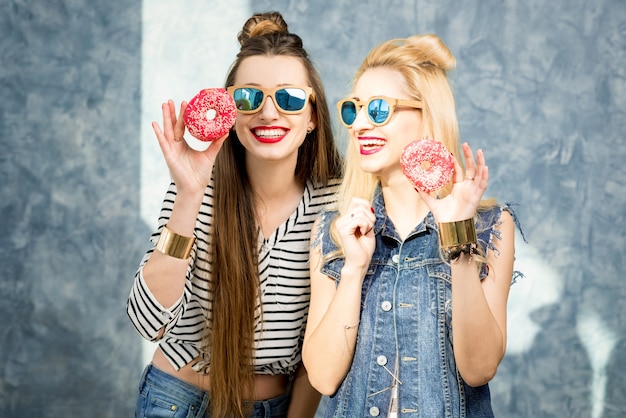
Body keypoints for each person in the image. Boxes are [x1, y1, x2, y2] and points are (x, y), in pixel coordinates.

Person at [127, 11, 343, 418]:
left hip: (276, 407)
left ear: (313, 116)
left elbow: (324, 343)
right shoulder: (197, 184)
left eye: (290, 97)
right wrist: (189, 196)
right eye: (248, 97)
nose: (267, 112)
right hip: (177, 402)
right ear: (229, 111)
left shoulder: (337, 200)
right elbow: (147, 322)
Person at [302, 33, 521, 417]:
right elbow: (322, 377)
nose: (359, 125)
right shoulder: (332, 232)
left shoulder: (488, 225)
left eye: (379, 109)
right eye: (354, 110)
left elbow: (479, 368)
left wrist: (458, 239)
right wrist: (353, 270)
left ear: (427, 115)